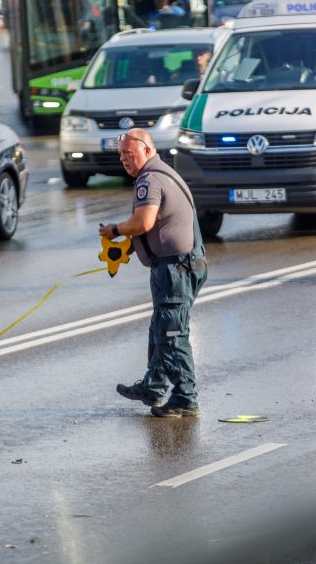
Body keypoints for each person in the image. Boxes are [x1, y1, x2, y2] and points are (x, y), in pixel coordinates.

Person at [98, 129, 208, 418]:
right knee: (161, 328)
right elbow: (160, 226)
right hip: (182, 265)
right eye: (120, 154)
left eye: (128, 153)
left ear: (147, 150)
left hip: (175, 269)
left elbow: (144, 222)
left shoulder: (149, 179)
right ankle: (153, 386)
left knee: (171, 334)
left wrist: (115, 230)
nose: (123, 159)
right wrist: (127, 251)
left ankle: (185, 398)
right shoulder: (162, 173)